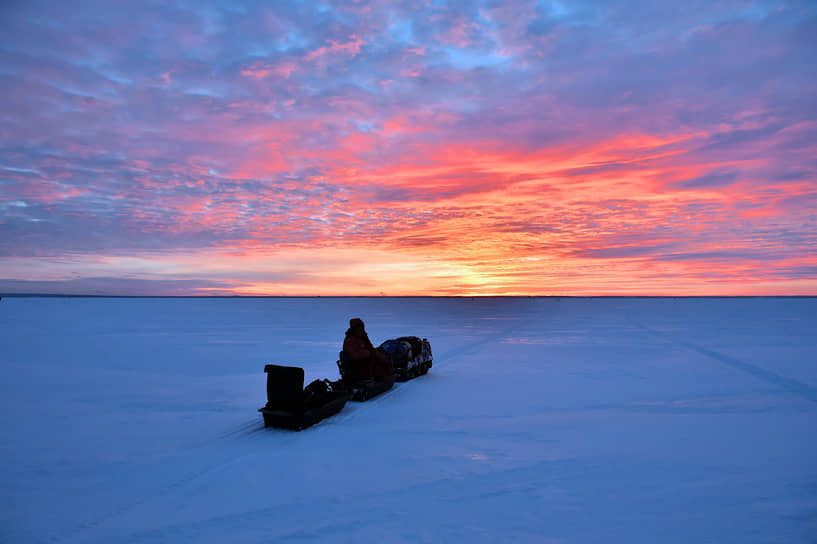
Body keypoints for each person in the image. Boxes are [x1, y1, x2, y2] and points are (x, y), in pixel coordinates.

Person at [342, 318, 391, 382]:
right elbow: (353, 354)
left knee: (382, 358)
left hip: (365, 359)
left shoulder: (363, 336)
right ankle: (381, 379)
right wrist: (367, 353)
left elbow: (370, 347)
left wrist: (378, 355)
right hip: (358, 364)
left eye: (361, 326)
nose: (360, 328)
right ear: (353, 328)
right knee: (378, 364)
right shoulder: (350, 340)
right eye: (358, 327)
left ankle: (387, 374)